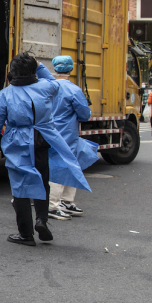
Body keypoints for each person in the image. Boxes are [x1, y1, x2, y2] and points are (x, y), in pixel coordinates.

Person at [0, 52, 90, 247]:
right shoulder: (46, 88)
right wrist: (39, 64)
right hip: (43, 139)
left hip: (17, 142)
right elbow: (53, 80)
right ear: (34, 71)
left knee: (20, 187)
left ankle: (25, 234)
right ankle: (41, 219)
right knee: (42, 180)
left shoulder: (5, 94)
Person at [47, 55, 98, 219]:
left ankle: (63, 202)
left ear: (54, 69)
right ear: (71, 69)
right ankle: (55, 205)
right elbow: (84, 114)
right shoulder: (74, 90)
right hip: (68, 134)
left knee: (57, 165)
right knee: (68, 165)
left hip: (49, 133)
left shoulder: (46, 87)